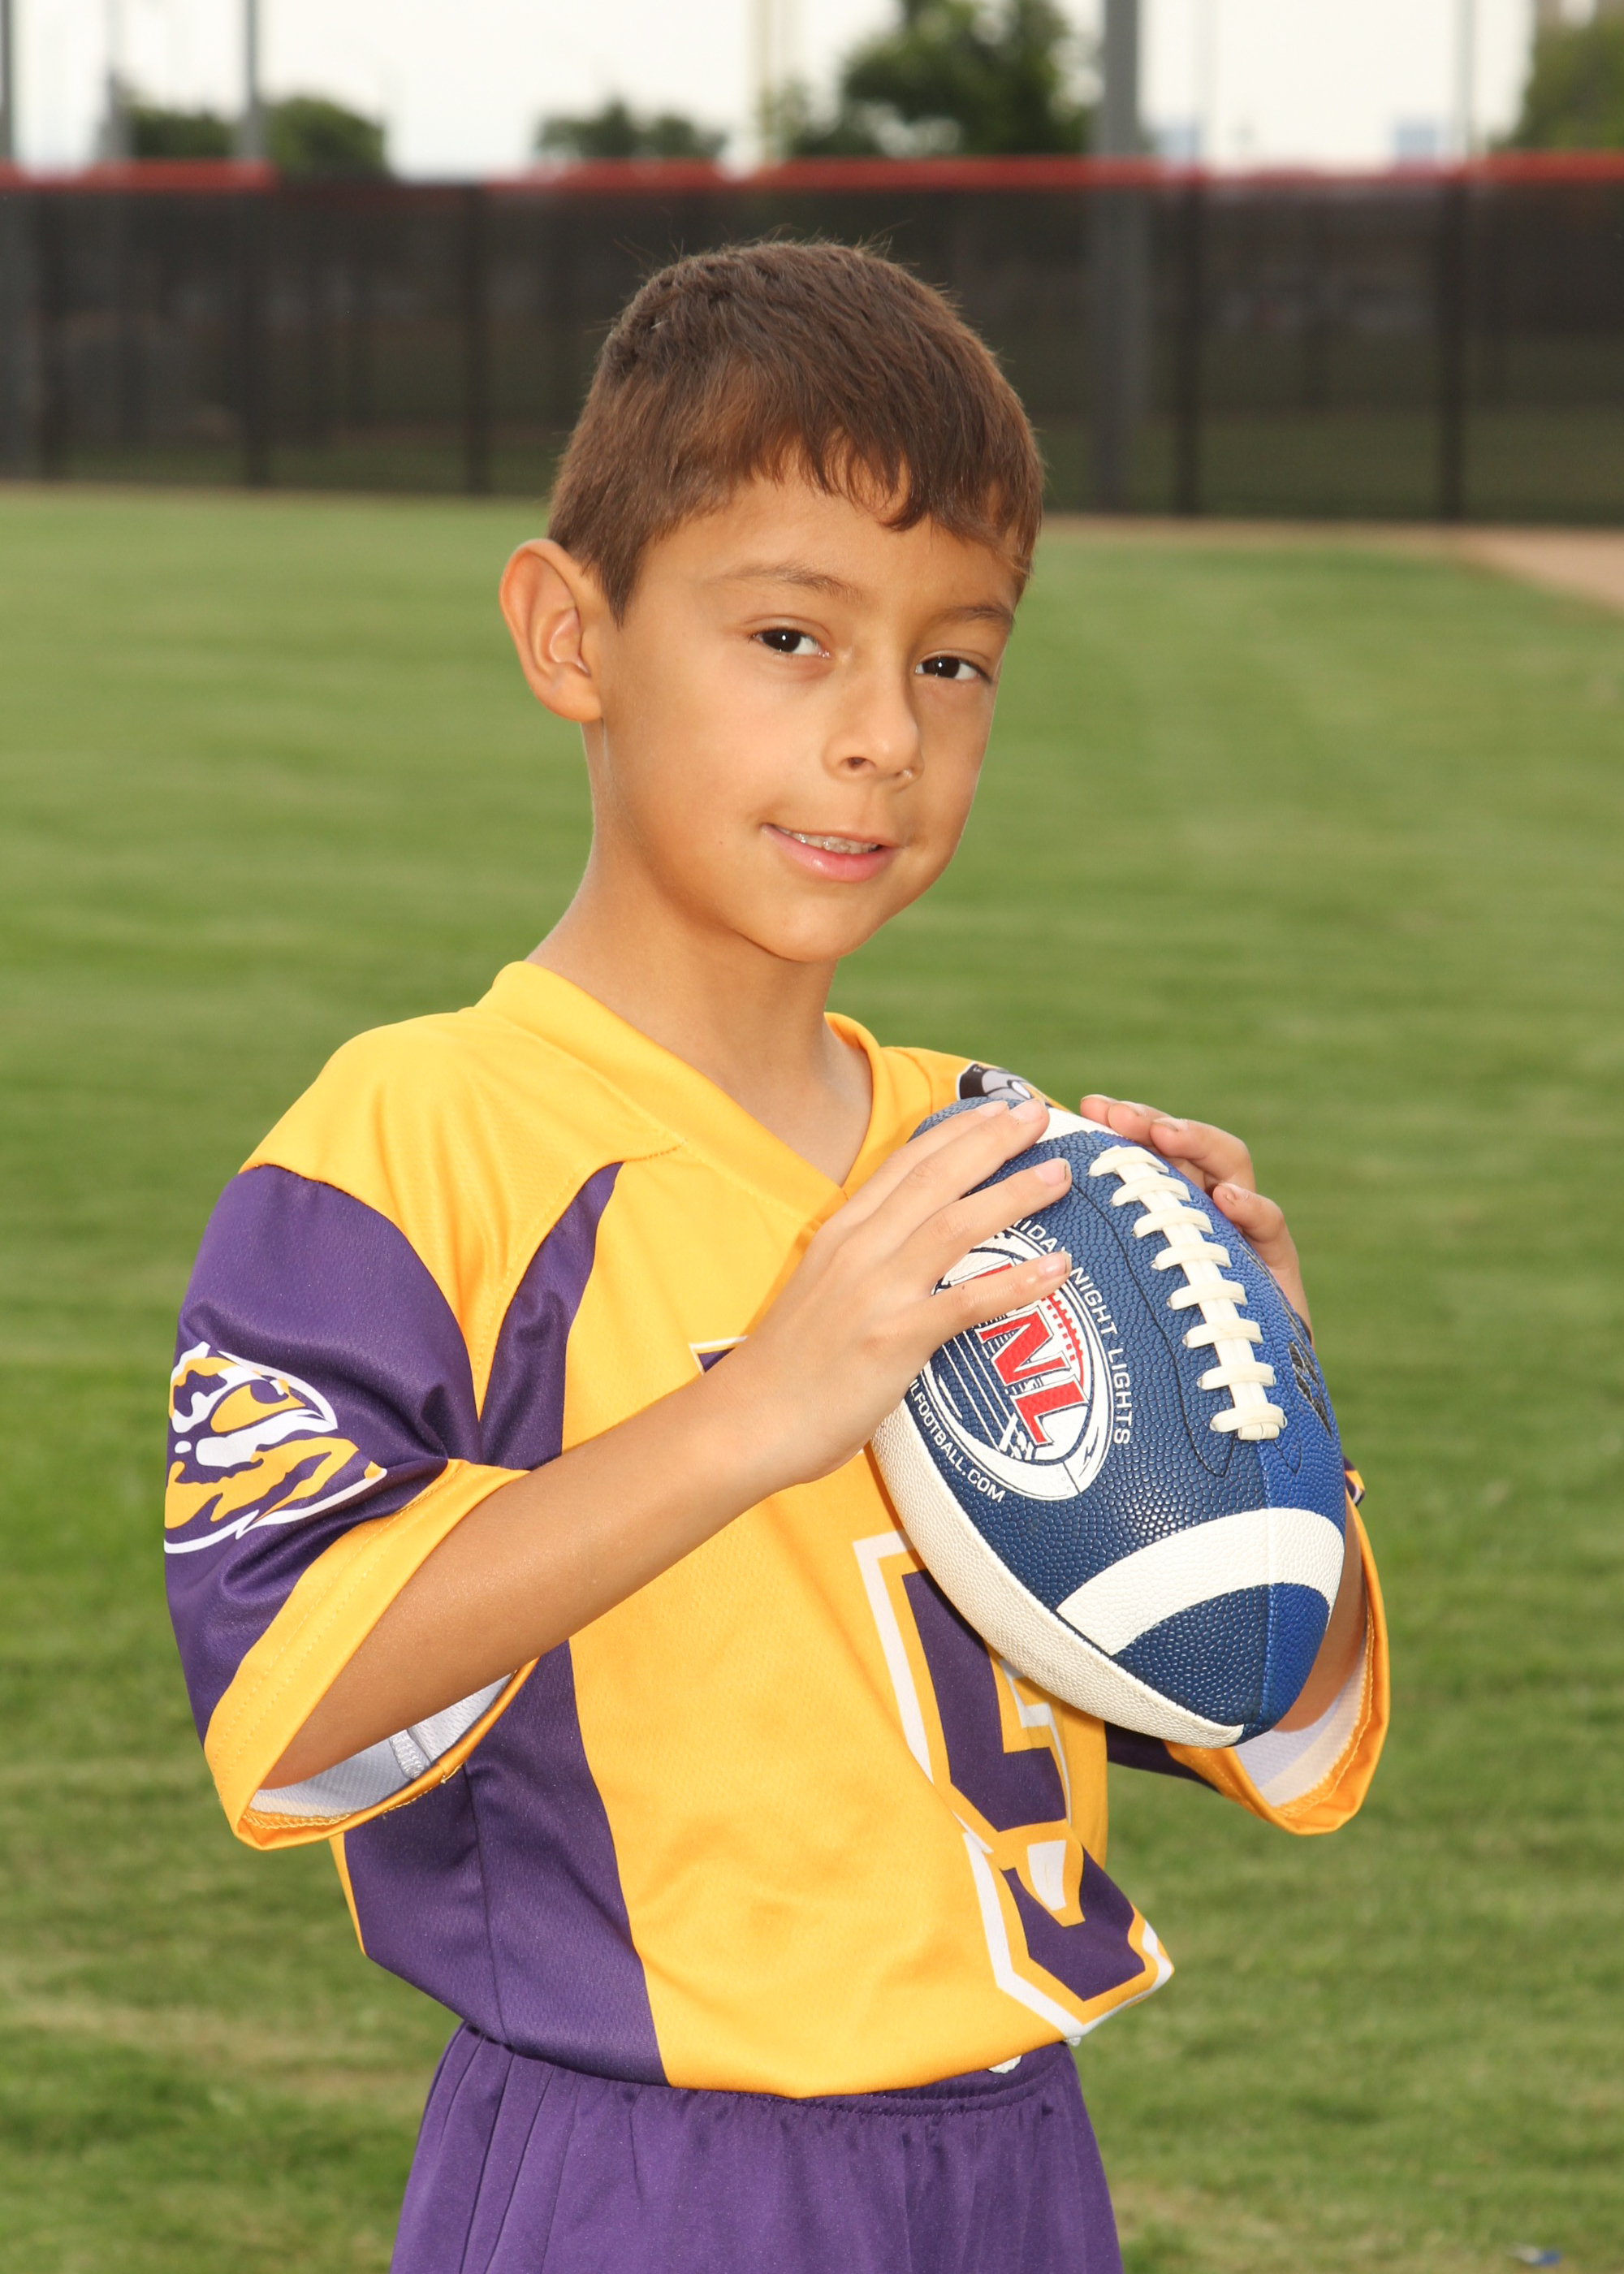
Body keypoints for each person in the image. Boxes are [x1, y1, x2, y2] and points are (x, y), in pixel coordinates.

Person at [163, 241, 1387, 2274]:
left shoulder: (997, 1163)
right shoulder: (415, 1135)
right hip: (645, 2171)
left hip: (1014, 2155)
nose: (883, 734)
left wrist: (1258, 1416)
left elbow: (1281, 1722)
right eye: (792, 637)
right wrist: (756, 1415)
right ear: (572, 633)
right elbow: (284, 1708)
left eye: (953, 661)